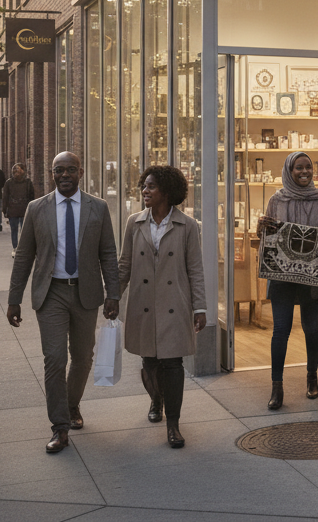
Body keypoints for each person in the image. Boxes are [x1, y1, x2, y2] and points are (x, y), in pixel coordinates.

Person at [7, 151, 120, 454]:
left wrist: (113, 293)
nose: (65, 175)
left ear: (80, 173)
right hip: (51, 292)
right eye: (60, 171)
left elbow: (108, 253)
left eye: (71, 170)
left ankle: (71, 405)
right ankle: (59, 426)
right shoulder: (36, 208)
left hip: (86, 293)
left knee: (83, 357)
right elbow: (24, 257)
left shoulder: (98, 208)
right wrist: (14, 299)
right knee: (55, 359)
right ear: (52, 174)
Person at [118, 165, 207, 448]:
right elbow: (124, 265)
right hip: (143, 303)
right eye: (144, 186)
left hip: (174, 303)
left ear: (167, 192)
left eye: (151, 186)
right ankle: (156, 399)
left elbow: (195, 270)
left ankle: (173, 424)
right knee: (149, 361)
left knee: (173, 363)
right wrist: (110, 297)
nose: (145, 190)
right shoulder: (134, 222)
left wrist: (200, 307)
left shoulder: (188, 225)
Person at [258, 152, 318, 410]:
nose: (304, 172)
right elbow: (267, 235)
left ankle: (312, 377)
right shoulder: (277, 199)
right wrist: (263, 227)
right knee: (280, 330)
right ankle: (276, 386)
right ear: (288, 170)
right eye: (298, 168)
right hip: (282, 275)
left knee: (311, 328)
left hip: (313, 277)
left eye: (308, 168)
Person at [2, 163, 37, 255]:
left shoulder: (9, 182)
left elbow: (5, 197)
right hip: (22, 209)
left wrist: (4, 210)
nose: (17, 173)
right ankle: (20, 248)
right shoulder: (27, 182)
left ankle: (16, 248)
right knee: (22, 230)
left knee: (18, 230)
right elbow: (31, 196)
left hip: (16, 209)